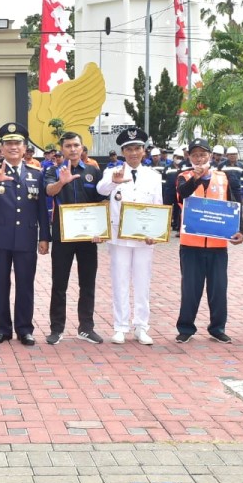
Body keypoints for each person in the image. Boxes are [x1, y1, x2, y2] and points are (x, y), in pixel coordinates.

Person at [0, 123, 51, 346]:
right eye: (8, 143)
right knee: (0, 284)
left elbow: (41, 207)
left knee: (25, 283)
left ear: (25, 147)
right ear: (1, 148)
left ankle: (25, 329)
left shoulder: (35, 173)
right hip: (0, 236)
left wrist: (44, 237)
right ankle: (2, 329)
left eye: (17, 143)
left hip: (26, 236)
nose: (13, 147)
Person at [174, 138, 243, 343]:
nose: (199, 158)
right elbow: (182, 195)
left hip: (217, 244)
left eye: (203, 154)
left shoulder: (224, 177)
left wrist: (240, 230)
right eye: (195, 154)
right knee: (190, 288)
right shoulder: (183, 176)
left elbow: (234, 204)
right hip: (191, 244)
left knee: (218, 288)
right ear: (189, 157)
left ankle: (217, 327)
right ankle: (186, 328)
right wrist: (196, 178)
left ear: (210, 156)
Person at [97, 127, 162, 345]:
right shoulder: (112, 172)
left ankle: (141, 326)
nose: (133, 153)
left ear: (144, 151)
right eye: (129, 149)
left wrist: (157, 233)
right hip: (119, 237)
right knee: (120, 281)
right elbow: (100, 190)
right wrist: (115, 181)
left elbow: (158, 207)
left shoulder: (153, 176)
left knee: (143, 282)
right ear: (123, 152)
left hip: (144, 238)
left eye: (137, 148)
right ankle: (120, 326)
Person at [44, 130, 107, 344]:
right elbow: (50, 192)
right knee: (59, 283)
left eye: (76, 145)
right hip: (63, 235)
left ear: (82, 148)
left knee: (87, 283)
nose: (72, 149)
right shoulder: (54, 171)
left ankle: (86, 328)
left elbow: (102, 201)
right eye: (68, 146)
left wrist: (102, 230)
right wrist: (62, 182)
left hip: (89, 237)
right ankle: (57, 329)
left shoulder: (93, 171)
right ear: (62, 149)